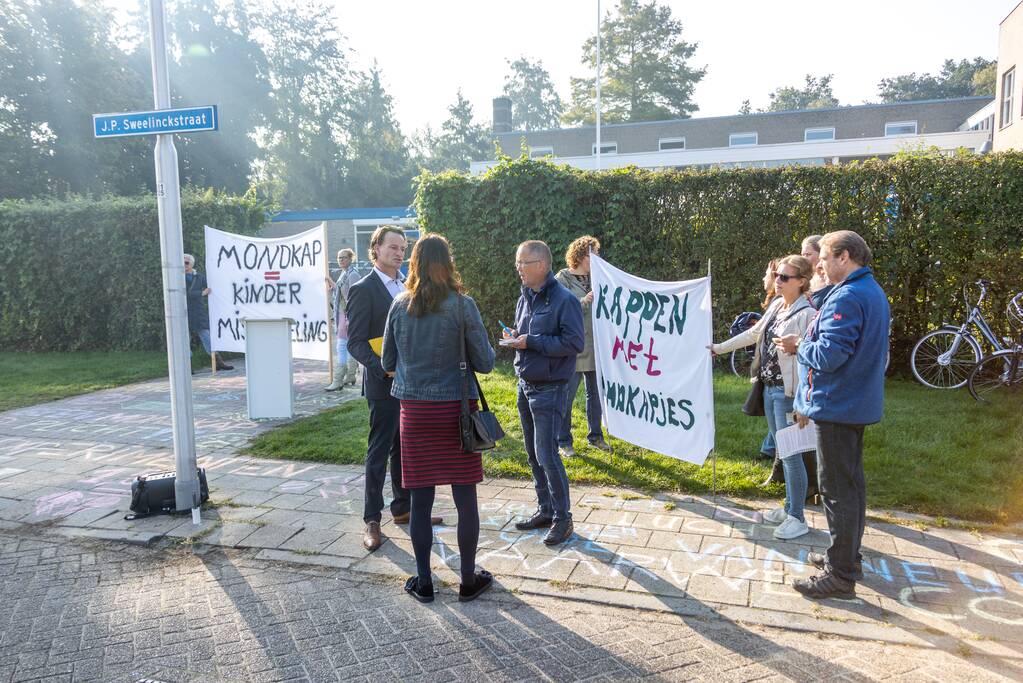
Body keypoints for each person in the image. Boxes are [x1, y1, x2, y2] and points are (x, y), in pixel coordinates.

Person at [381, 234, 496, 603]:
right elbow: (486, 362)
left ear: (413, 264)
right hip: (456, 412)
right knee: (465, 498)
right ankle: (467, 579)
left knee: (420, 500)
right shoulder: (463, 306)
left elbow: (387, 363)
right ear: (448, 264)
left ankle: (424, 581)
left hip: (414, 413)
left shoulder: (400, 305)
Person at [776, 230, 890, 599]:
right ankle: (845, 558)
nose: (818, 264)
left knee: (837, 490)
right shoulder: (868, 290)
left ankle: (840, 576)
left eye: (823, 257)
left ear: (844, 257)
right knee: (851, 486)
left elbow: (829, 355)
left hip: (837, 405)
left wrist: (799, 345)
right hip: (854, 403)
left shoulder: (850, 295)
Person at [347, 226, 441, 552]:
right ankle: (372, 519)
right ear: (376, 249)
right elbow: (355, 343)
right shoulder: (363, 289)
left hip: (412, 385)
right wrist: (381, 368)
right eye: (392, 247)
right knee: (379, 451)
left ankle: (403, 508)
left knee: (405, 449)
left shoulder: (408, 286)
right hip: (382, 384)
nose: (399, 253)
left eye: (403, 248)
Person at [710, 255, 816, 539]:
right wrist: (719, 348)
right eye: (777, 275)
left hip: (788, 393)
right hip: (769, 388)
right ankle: (789, 507)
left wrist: (802, 399)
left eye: (785, 277)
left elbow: (814, 360)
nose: (777, 281)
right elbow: (755, 333)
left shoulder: (808, 314)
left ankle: (797, 518)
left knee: (792, 455)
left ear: (802, 282)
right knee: (783, 450)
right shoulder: (777, 305)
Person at [503, 240, 584, 546]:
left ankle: (564, 519)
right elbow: (524, 333)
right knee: (533, 453)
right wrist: (514, 339)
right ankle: (546, 509)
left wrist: (531, 342)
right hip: (525, 383)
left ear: (541, 265)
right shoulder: (526, 297)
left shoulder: (565, 300)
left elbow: (574, 344)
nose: (518, 269)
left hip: (551, 387)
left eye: (522, 263)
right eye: (517, 263)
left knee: (547, 454)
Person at [555, 235, 611, 457]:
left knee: (595, 395)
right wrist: (582, 301)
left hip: (596, 348)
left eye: (597, 254)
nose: (596, 258)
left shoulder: (599, 278)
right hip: (573, 348)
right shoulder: (563, 278)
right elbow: (559, 308)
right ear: (580, 256)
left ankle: (595, 437)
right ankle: (564, 441)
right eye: (592, 254)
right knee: (566, 396)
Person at [184, 253, 232, 371]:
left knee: (206, 336)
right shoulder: (176, 277)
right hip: (183, 311)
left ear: (191, 264)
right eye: (182, 262)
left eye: (186, 262)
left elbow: (211, 287)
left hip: (198, 310)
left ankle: (217, 361)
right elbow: (182, 294)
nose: (184, 265)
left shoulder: (199, 277)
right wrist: (201, 293)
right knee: (184, 339)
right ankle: (186, 366)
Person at [325, 248, 362, 391]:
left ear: (350, 258)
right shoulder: (345, 273)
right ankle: (350, 376)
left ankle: (338, 380)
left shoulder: (353, 275)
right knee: (346, 345)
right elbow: (342, 291)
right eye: (339, 258)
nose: (341, 260)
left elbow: (354, 298)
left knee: (342, 346)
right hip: (343, 314)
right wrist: (331, 284)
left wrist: (350, 317)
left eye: (344, 257)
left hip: (346, 315)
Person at [801, 235, 835, 310]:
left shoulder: (833, 280)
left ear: (822, 254)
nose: (804, 259)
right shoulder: (804, 279)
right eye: (803, 255)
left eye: (808, 254)